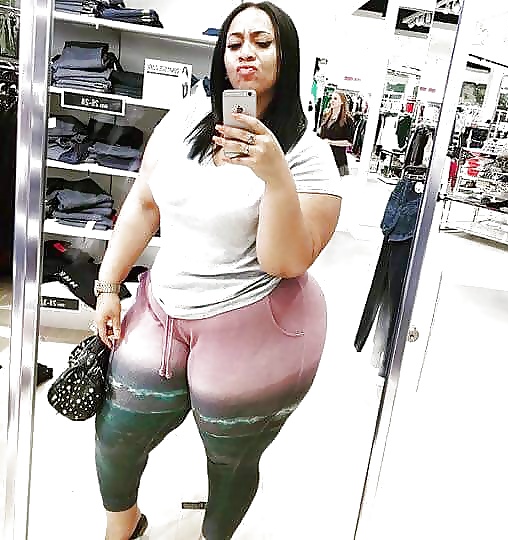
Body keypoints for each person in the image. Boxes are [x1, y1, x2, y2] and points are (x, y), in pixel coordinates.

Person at [92, 2, 342, 539]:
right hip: (163, 305)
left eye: (262, 42)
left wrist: (275, 175)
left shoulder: (310, 156)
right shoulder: (185, 119)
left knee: (230, 457)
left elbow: (285, 261)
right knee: (116, 432)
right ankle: (122, 528)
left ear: (286, 56)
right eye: (234, 42)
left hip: (249, 318)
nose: (246, 53)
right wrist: (109, 284)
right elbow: (143, 204)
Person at [319, 91, 354, 176]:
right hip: (323, 157)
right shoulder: (326, 116)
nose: (332, 101)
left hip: (338, 159)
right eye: (331, 98)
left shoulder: (347, 120)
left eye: (335, 99)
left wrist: (331, 142)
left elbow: (349, 142)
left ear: (342, 102)